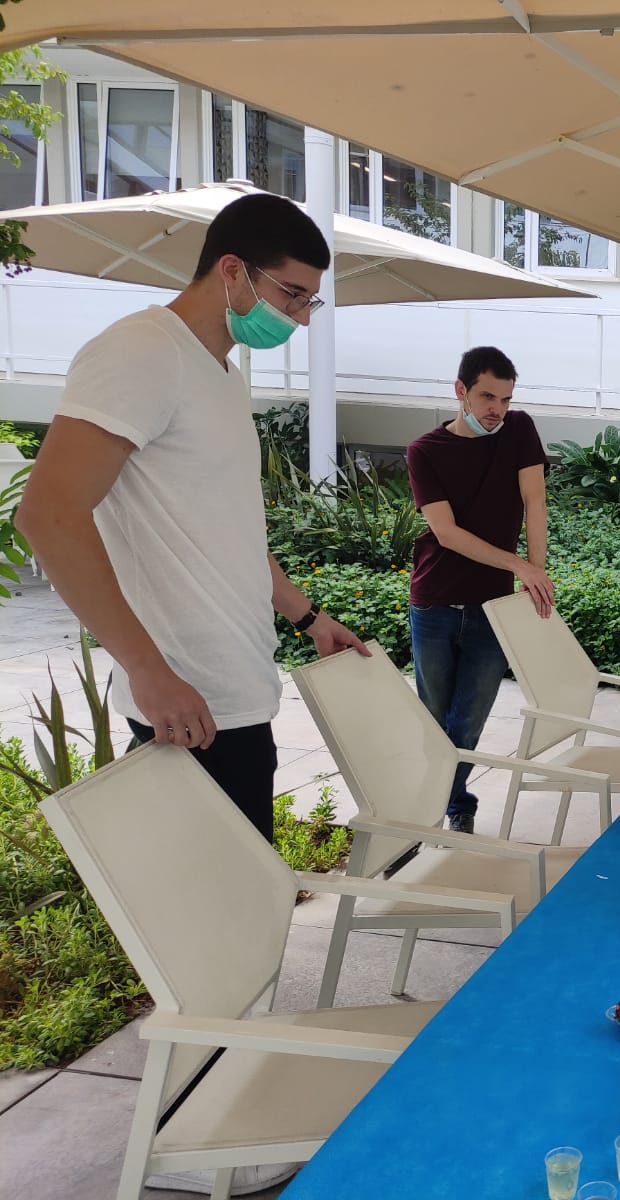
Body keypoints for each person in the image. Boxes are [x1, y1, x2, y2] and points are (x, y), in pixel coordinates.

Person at [17, 192, 368, 846]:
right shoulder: (141, 352)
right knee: (220, 907)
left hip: (237, 694)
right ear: (232, 269)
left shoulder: (224, 375)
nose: (300, 317)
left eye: (308, 302)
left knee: (246, 903)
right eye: (292, 294)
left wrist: (309, 618)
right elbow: (49, 515)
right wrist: (147, 671)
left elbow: (232, 529)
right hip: (186, 703)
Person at [406, 346, 553, 834]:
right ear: (460, 391)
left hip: (493, 606)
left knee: (467, 722)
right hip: (434, 602)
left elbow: (535, 501)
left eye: (506, 399)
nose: (498, 410)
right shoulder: (424, 451)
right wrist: (518, 565)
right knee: (434, 720)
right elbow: (445, 532)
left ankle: (428, 809)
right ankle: (447, 807)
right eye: (488, 397)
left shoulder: (519, 430)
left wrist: (536, 572)